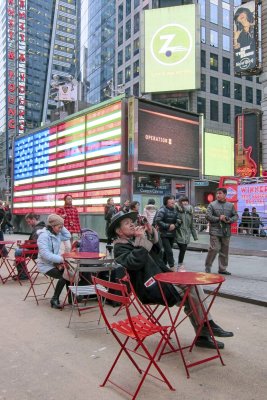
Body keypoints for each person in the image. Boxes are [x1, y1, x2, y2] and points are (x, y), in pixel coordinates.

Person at [108, 211, 233, 350]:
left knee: (192, 291)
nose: (132, 224)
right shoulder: (120, 247)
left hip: (161, 280)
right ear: (119, 231)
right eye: (127, 223)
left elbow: (157, 253)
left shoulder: (134, 240)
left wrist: (150, 233)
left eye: (132, 222)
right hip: (151, 288)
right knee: (192, 289)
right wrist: (140, 240)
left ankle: (204, 332)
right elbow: (134, 262)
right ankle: (206, 327)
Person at [37, 214, 71, 309]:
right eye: (59, 227)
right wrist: (61, 259)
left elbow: (68, 235)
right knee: (65, 276)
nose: (61, 229)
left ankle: (71, 297)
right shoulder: (43, 236)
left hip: (54, 263)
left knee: (70, 272)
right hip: (45, 265)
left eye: (61, 227)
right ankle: (54, 299)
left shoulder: (57, 234)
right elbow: (45, 254)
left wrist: (61, 223)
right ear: (52, 226)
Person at [205, 188, 238, 275]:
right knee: (214, 248)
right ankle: (208, 266)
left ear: (225, 195)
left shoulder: (230, 205)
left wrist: (229, 220)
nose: (218, 195)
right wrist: (218, 218)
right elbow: (208, 216)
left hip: (226, 231)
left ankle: (222, 269)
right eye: (217, 193)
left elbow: (236, 216)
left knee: (224, 251)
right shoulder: (212, 205)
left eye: (220, 193)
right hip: (215, 231)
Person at [13, 213, 46, 280]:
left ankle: (23, 275)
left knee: (18, 252)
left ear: (33, 219)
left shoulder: (37, 229)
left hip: (37, 251)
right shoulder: (43, 227)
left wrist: (23, 245)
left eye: (29, 221)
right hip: (42, 250)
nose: (28, 223)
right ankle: (22, 273)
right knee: (19, 250)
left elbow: (34, 243)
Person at [155, 195, 178, 271]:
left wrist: (175, 225)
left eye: (173, 199)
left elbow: (179, 220)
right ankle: (172, 267)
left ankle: (163, 266)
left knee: (167, 251)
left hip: (172, 234)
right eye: (170, 199)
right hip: (163, 234)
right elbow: (158, 221)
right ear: (166, 201)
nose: (173, 201)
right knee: (169, 251)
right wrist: (168, 226)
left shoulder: (175, 210)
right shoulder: (162, 210)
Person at [175, 196, 198, 271]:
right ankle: (175, 264)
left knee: (183, 249)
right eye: (183, 201)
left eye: (186, 201)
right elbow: (173, 218)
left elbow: (192, 225)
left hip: (186, 234)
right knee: (180, 248)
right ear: (180, 202)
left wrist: (195, 236)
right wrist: (177, 221)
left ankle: (180, 264)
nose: (185, 202)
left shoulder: (190, 213)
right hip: (178, 232)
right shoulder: (177, 210)